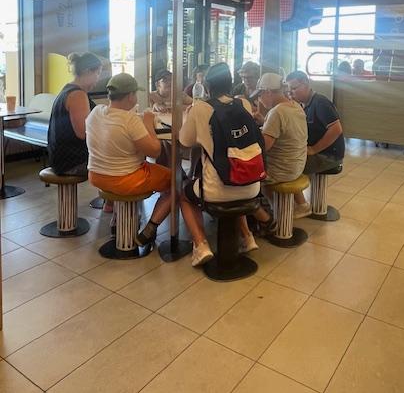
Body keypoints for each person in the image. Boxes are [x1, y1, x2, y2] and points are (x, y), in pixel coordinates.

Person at [86, 72, 213, 267]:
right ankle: (151, 226)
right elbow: (154, 150)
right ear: (130, 96)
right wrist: (147, 123)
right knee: (178, 182)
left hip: (96, 175)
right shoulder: (130, 120)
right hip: (126, 178)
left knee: (163, 173)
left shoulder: (96, 112)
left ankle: (122, 222)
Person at [179, 62, 276, 252]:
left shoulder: (200, 108)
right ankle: (248, 237)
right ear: (231, 83)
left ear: (207, 86)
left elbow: (185, 141)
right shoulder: (243, 103)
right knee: (234, 186)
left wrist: (189, 116)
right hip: (251, 184)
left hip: (217, 188)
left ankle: (200, 245)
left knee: (184, 195)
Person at [286, 70, 345, 217]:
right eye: (289, 89)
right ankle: (294, 202)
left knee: (287, 166)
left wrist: (313, 149)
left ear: (306, 84)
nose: (291, 93)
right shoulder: (303, 105)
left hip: (329, 155)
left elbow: (336, 129)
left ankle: (301, 205)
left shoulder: (320, 103)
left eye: (294, 88)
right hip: (321, 152)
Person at [48, 52, 102, 176]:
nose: (98, 78)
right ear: (87, 71)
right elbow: (83, 133)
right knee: (121, 160)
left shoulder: (68, 89)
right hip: (72, 163)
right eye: (97, 73)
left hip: (59, 160)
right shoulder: (78, 95)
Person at [251, 73, 308, 191]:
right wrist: (264, 122)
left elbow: (263, 147)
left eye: (260, 95)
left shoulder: (276, 112)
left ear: (268, 92)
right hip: (297, 166)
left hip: (279, 171)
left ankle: (269, 202)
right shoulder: (296, 106)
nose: (258, 100)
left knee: (248, 175)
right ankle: (299, 202)